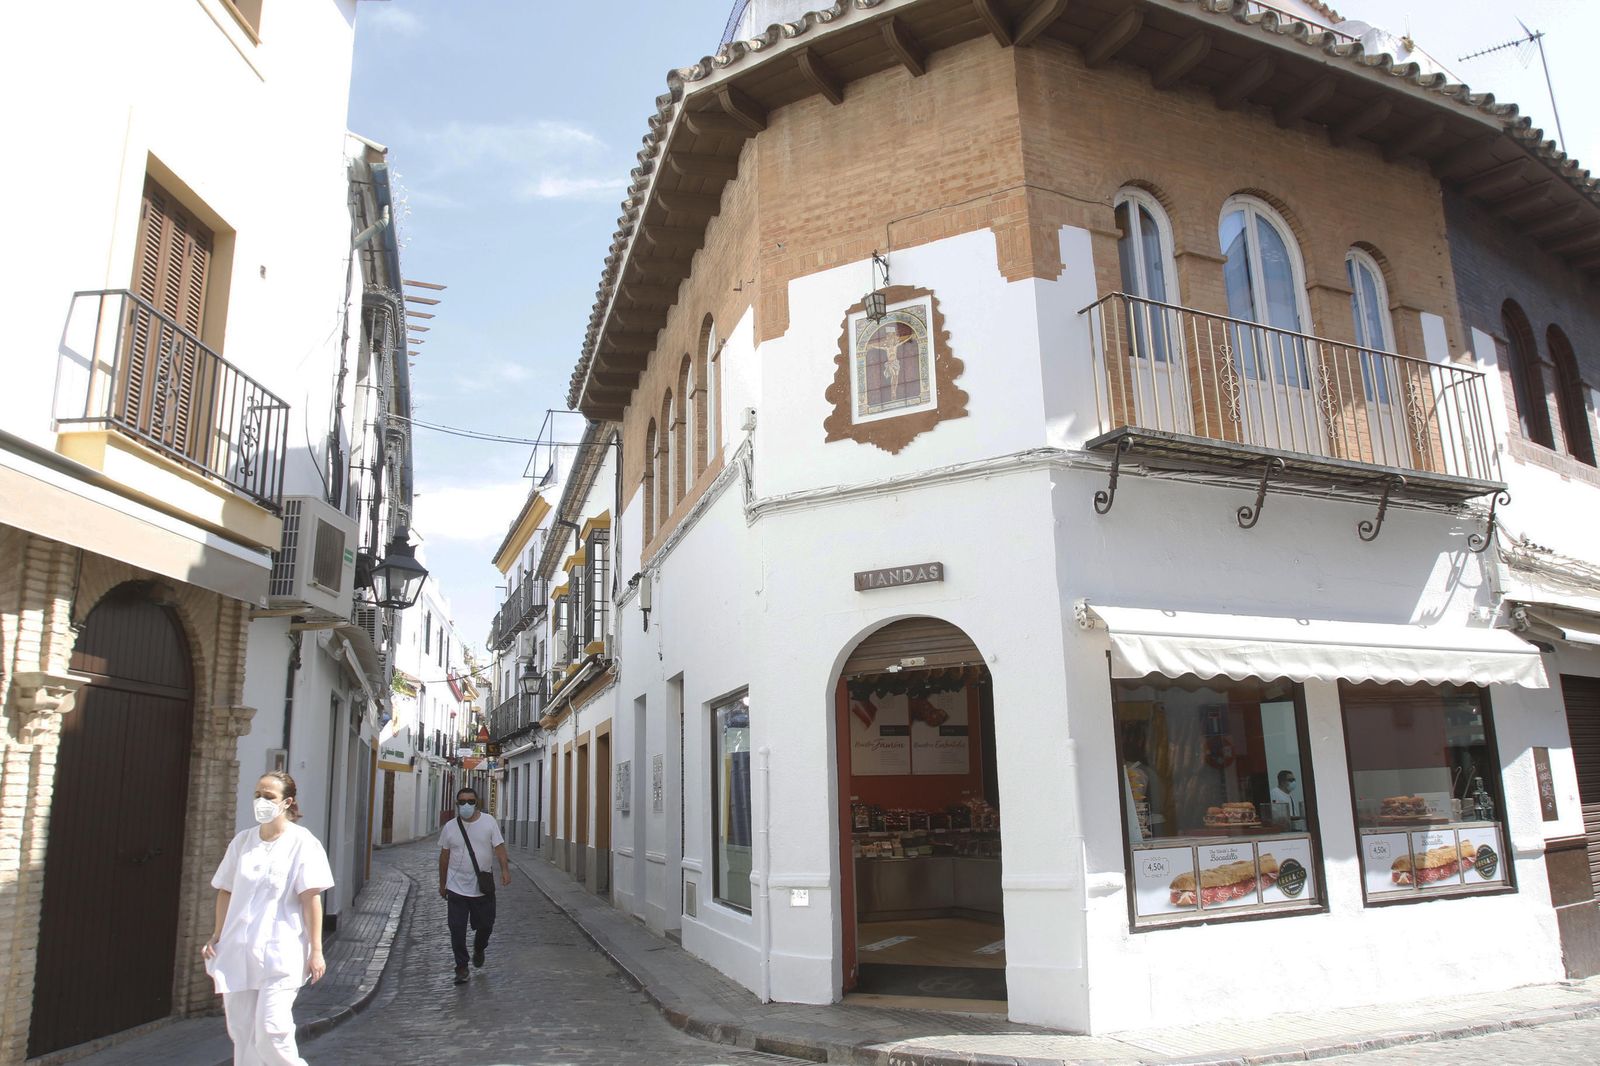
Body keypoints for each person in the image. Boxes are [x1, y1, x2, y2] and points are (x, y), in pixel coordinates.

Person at [203, 771, 334, 1066]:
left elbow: (311, 899)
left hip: (281, 952)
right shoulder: (243, 842)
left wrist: (316, 950)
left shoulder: (302, 843)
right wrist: (217, 934)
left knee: (272, 1031)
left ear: (287, 802)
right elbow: (225, 890)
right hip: (239, 950)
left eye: (269, 796)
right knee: (242, 1033)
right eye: (257, 795)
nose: (261, 801)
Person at [439, 786, 511, 985]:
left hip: (482, 887)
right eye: (462, 802)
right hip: (456, 888)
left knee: (486, 926)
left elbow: (499, 847)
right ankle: (461, 967)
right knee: (457, 929)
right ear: (457, 804)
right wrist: (442, 883)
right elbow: (444, 857)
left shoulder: (489, 822)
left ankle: (479, 948)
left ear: (477, 803)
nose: (466, 805)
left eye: (470, 801)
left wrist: (505, 870)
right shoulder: (450, 827)